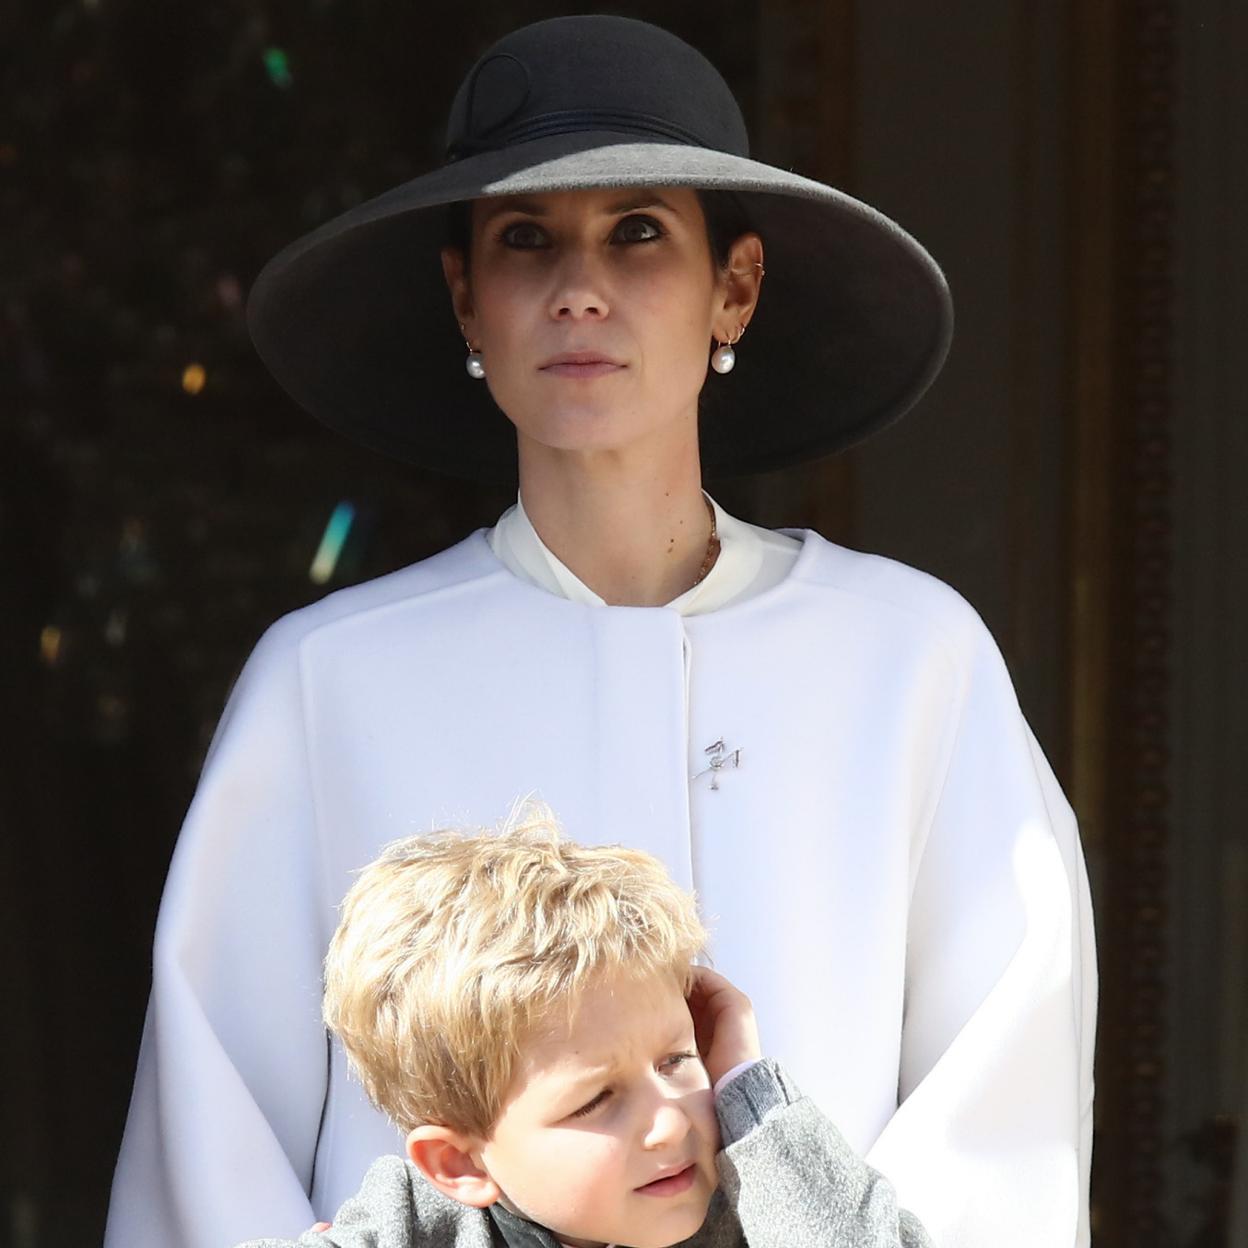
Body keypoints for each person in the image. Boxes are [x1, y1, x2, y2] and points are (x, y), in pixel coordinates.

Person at [106, 15, 1096, 1248]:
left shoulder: (910, 659)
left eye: (639, 231)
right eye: (526, 240)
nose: (579, 288)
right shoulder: (328, 680)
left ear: (735, 287)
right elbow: (214, 1145)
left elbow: (997, 1114)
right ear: (465, 300)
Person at [235, 814, 932, 1248]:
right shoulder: (413, 1226)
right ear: (461, 1164)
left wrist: (750, 1090)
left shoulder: (771, 1193)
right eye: (596, 1100)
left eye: (676, 1060)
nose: (670, 1123)